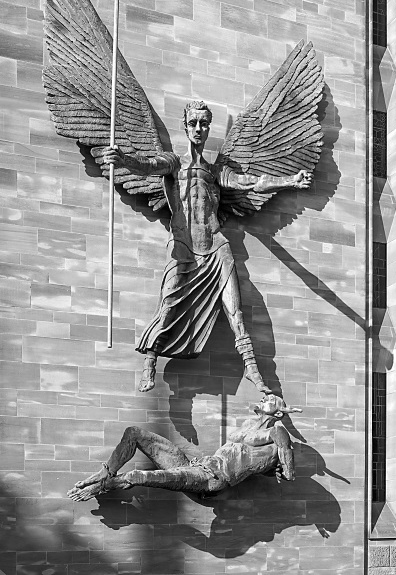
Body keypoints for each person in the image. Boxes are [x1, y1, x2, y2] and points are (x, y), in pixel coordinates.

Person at [100, 100, 312, 394]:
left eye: (204, 124)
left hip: (216, 246)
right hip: (183, 245)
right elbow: (148, 166)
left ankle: (252, 370)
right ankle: (149, 363)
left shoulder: (215, 172)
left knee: (236, 311)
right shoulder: (174, 163)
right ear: (185, 127)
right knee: (168, 304)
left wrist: (289, 180)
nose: (199, 129)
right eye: (193, 123)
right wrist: (123, 159)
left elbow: (251, 182)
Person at [67, 395, 302, 502]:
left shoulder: (277, 433)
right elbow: (259, 465)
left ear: (279, 413)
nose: (264, 399)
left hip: (211, 479)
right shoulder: (249, 425)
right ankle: (106, 473)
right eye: (265, 398)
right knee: (134, 433)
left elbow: (288, 472)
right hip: (196, 466)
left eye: (271, 400)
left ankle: (101, 487)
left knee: (138, 476)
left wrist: (284, 465)